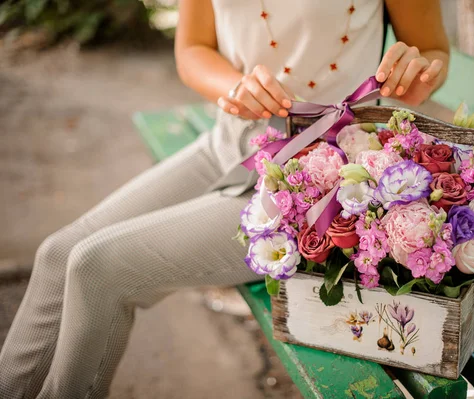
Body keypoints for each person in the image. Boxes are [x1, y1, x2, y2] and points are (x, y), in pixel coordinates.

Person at [0, 0, 449, 397]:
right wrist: (233, 87)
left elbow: (432, 49)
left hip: (313, 192)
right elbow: (193, 49)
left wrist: (420, 73)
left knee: (96, 267)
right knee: (58, 254)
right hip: (228, 146)